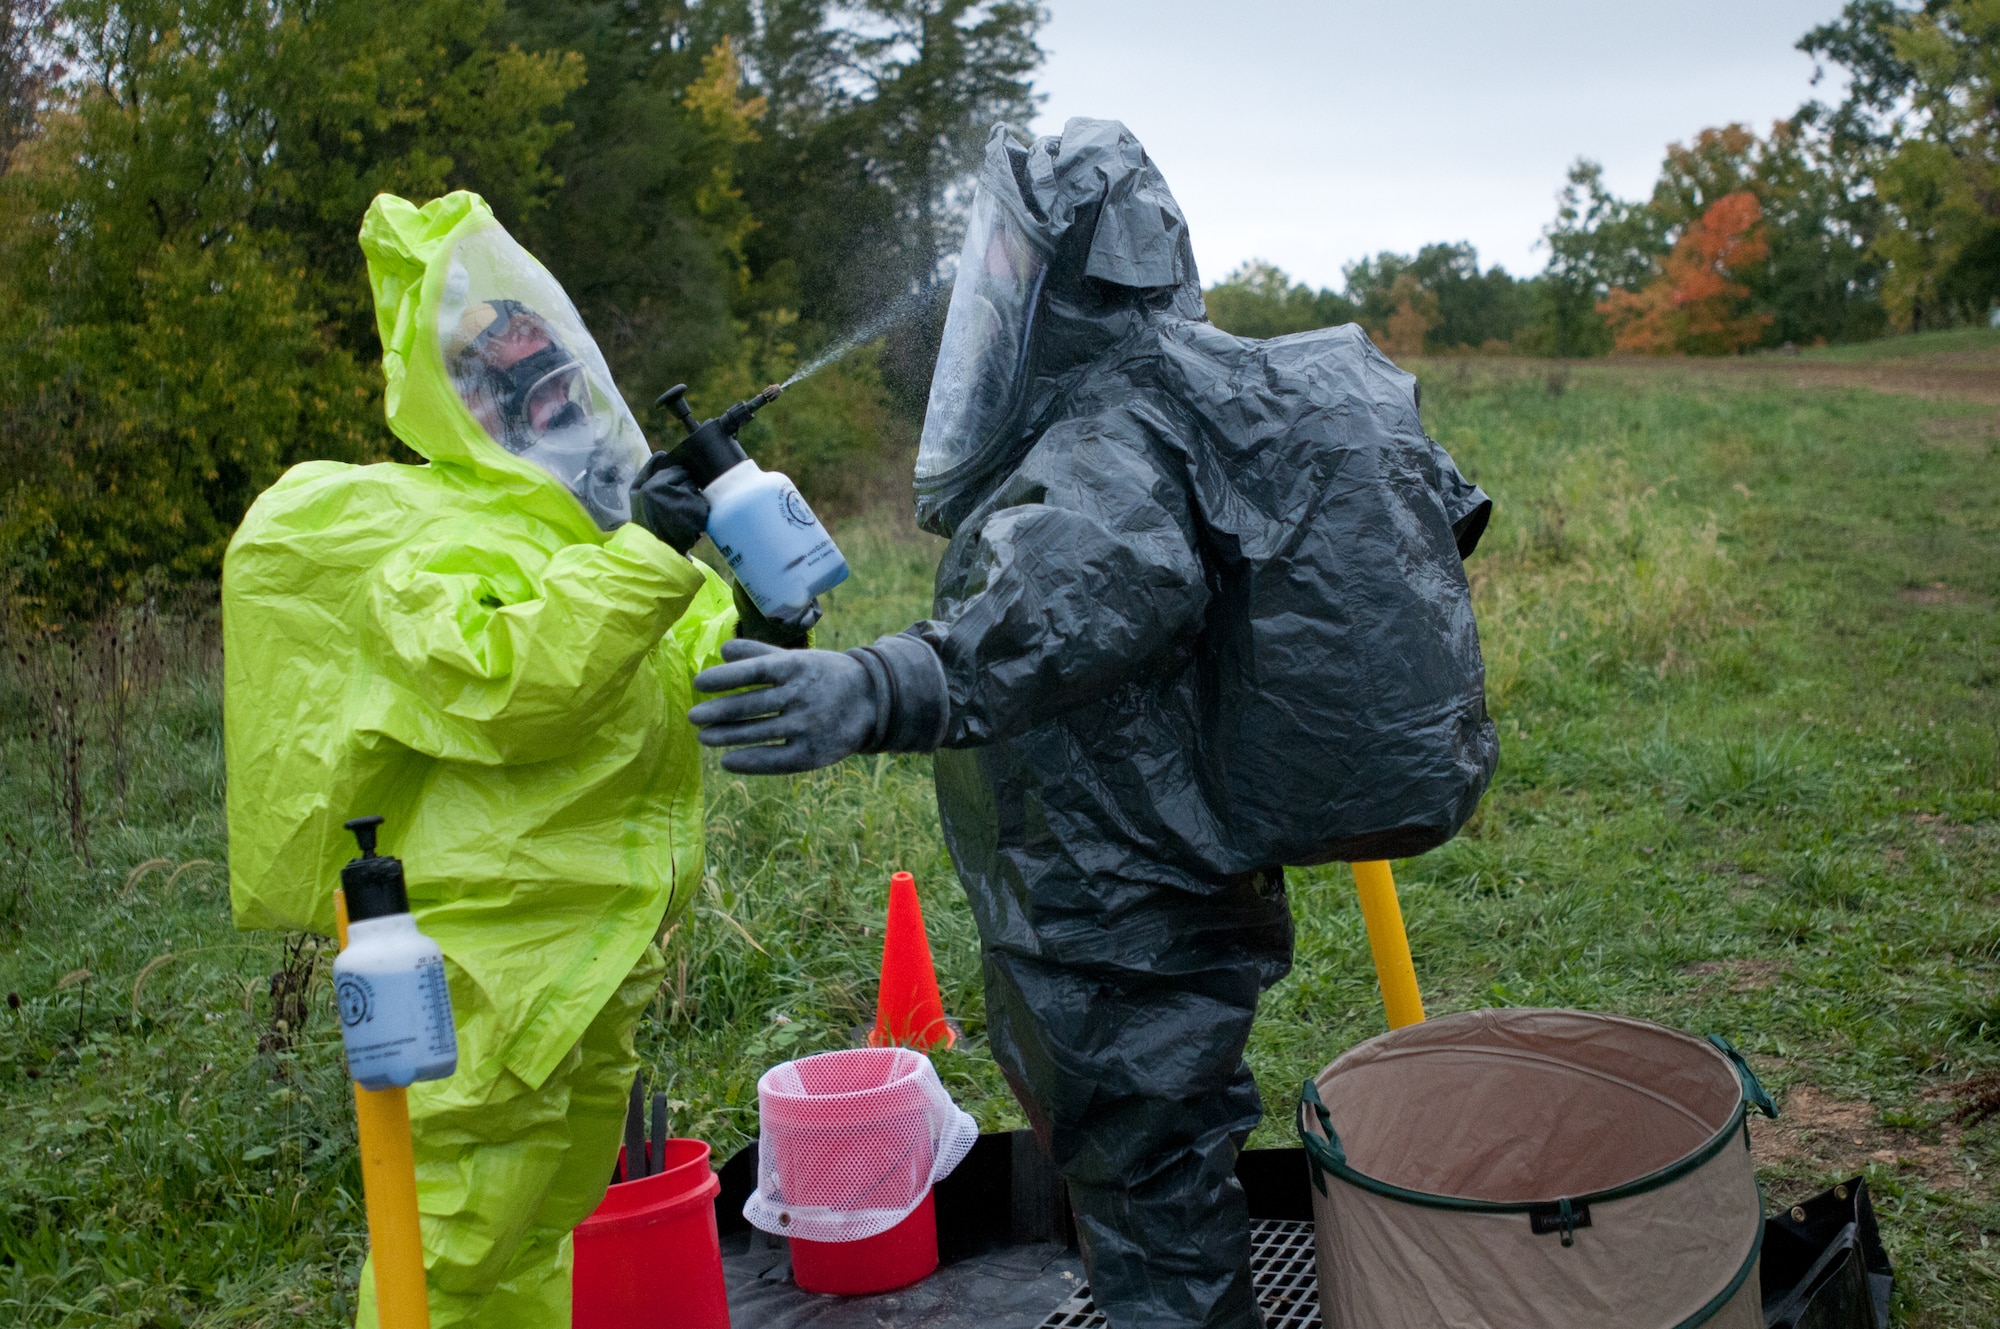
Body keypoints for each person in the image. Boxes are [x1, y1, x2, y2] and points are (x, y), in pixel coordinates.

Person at [687, 119, 1498, 1329]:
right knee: (1150, 1165)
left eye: (1014, 266)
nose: (990, 291)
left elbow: (1057, 607)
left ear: (1083, 274)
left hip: (1122, 902)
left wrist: (870, 691)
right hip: (1136, 882)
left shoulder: (1119, 433)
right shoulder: (1181, 402)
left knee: (1150, 1184)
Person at [224, 189, 770, 1329]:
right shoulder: (414, 533)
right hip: (485, 967)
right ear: (456, 396)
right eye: (506, 372)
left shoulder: (581, 531)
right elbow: (514, 685)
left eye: (552, 365)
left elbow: (684, 664)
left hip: (589, 962)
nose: (548, 394)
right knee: (453, 1247)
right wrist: (651, 550)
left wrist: (771, 631)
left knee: (540, 1237)